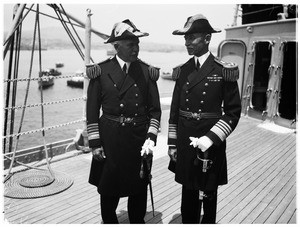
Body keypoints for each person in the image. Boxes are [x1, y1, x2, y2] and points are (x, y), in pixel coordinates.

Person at [167, 14, 241, 224]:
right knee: (188, 196)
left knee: (208, 196)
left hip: (211, 143)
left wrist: (211, 137)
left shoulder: (223, 70)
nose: (187, 43)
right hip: (185, 142)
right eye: (185, 39)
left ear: (207, 39)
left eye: (192, 38)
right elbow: (174, 111)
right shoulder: (183, 71)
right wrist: (172, 143)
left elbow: (233, 112)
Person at [85, 19, 161, 224]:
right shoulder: (100, 72)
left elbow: (155, 111)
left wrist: (151, 137)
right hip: (110, 138)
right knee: (109, 189)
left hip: (138, 140)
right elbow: (91, 112)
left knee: (138, 189)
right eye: (130, 45)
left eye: (137, 44)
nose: (135, 49)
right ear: (116, 46)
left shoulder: (146, 72)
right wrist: (95, 143)